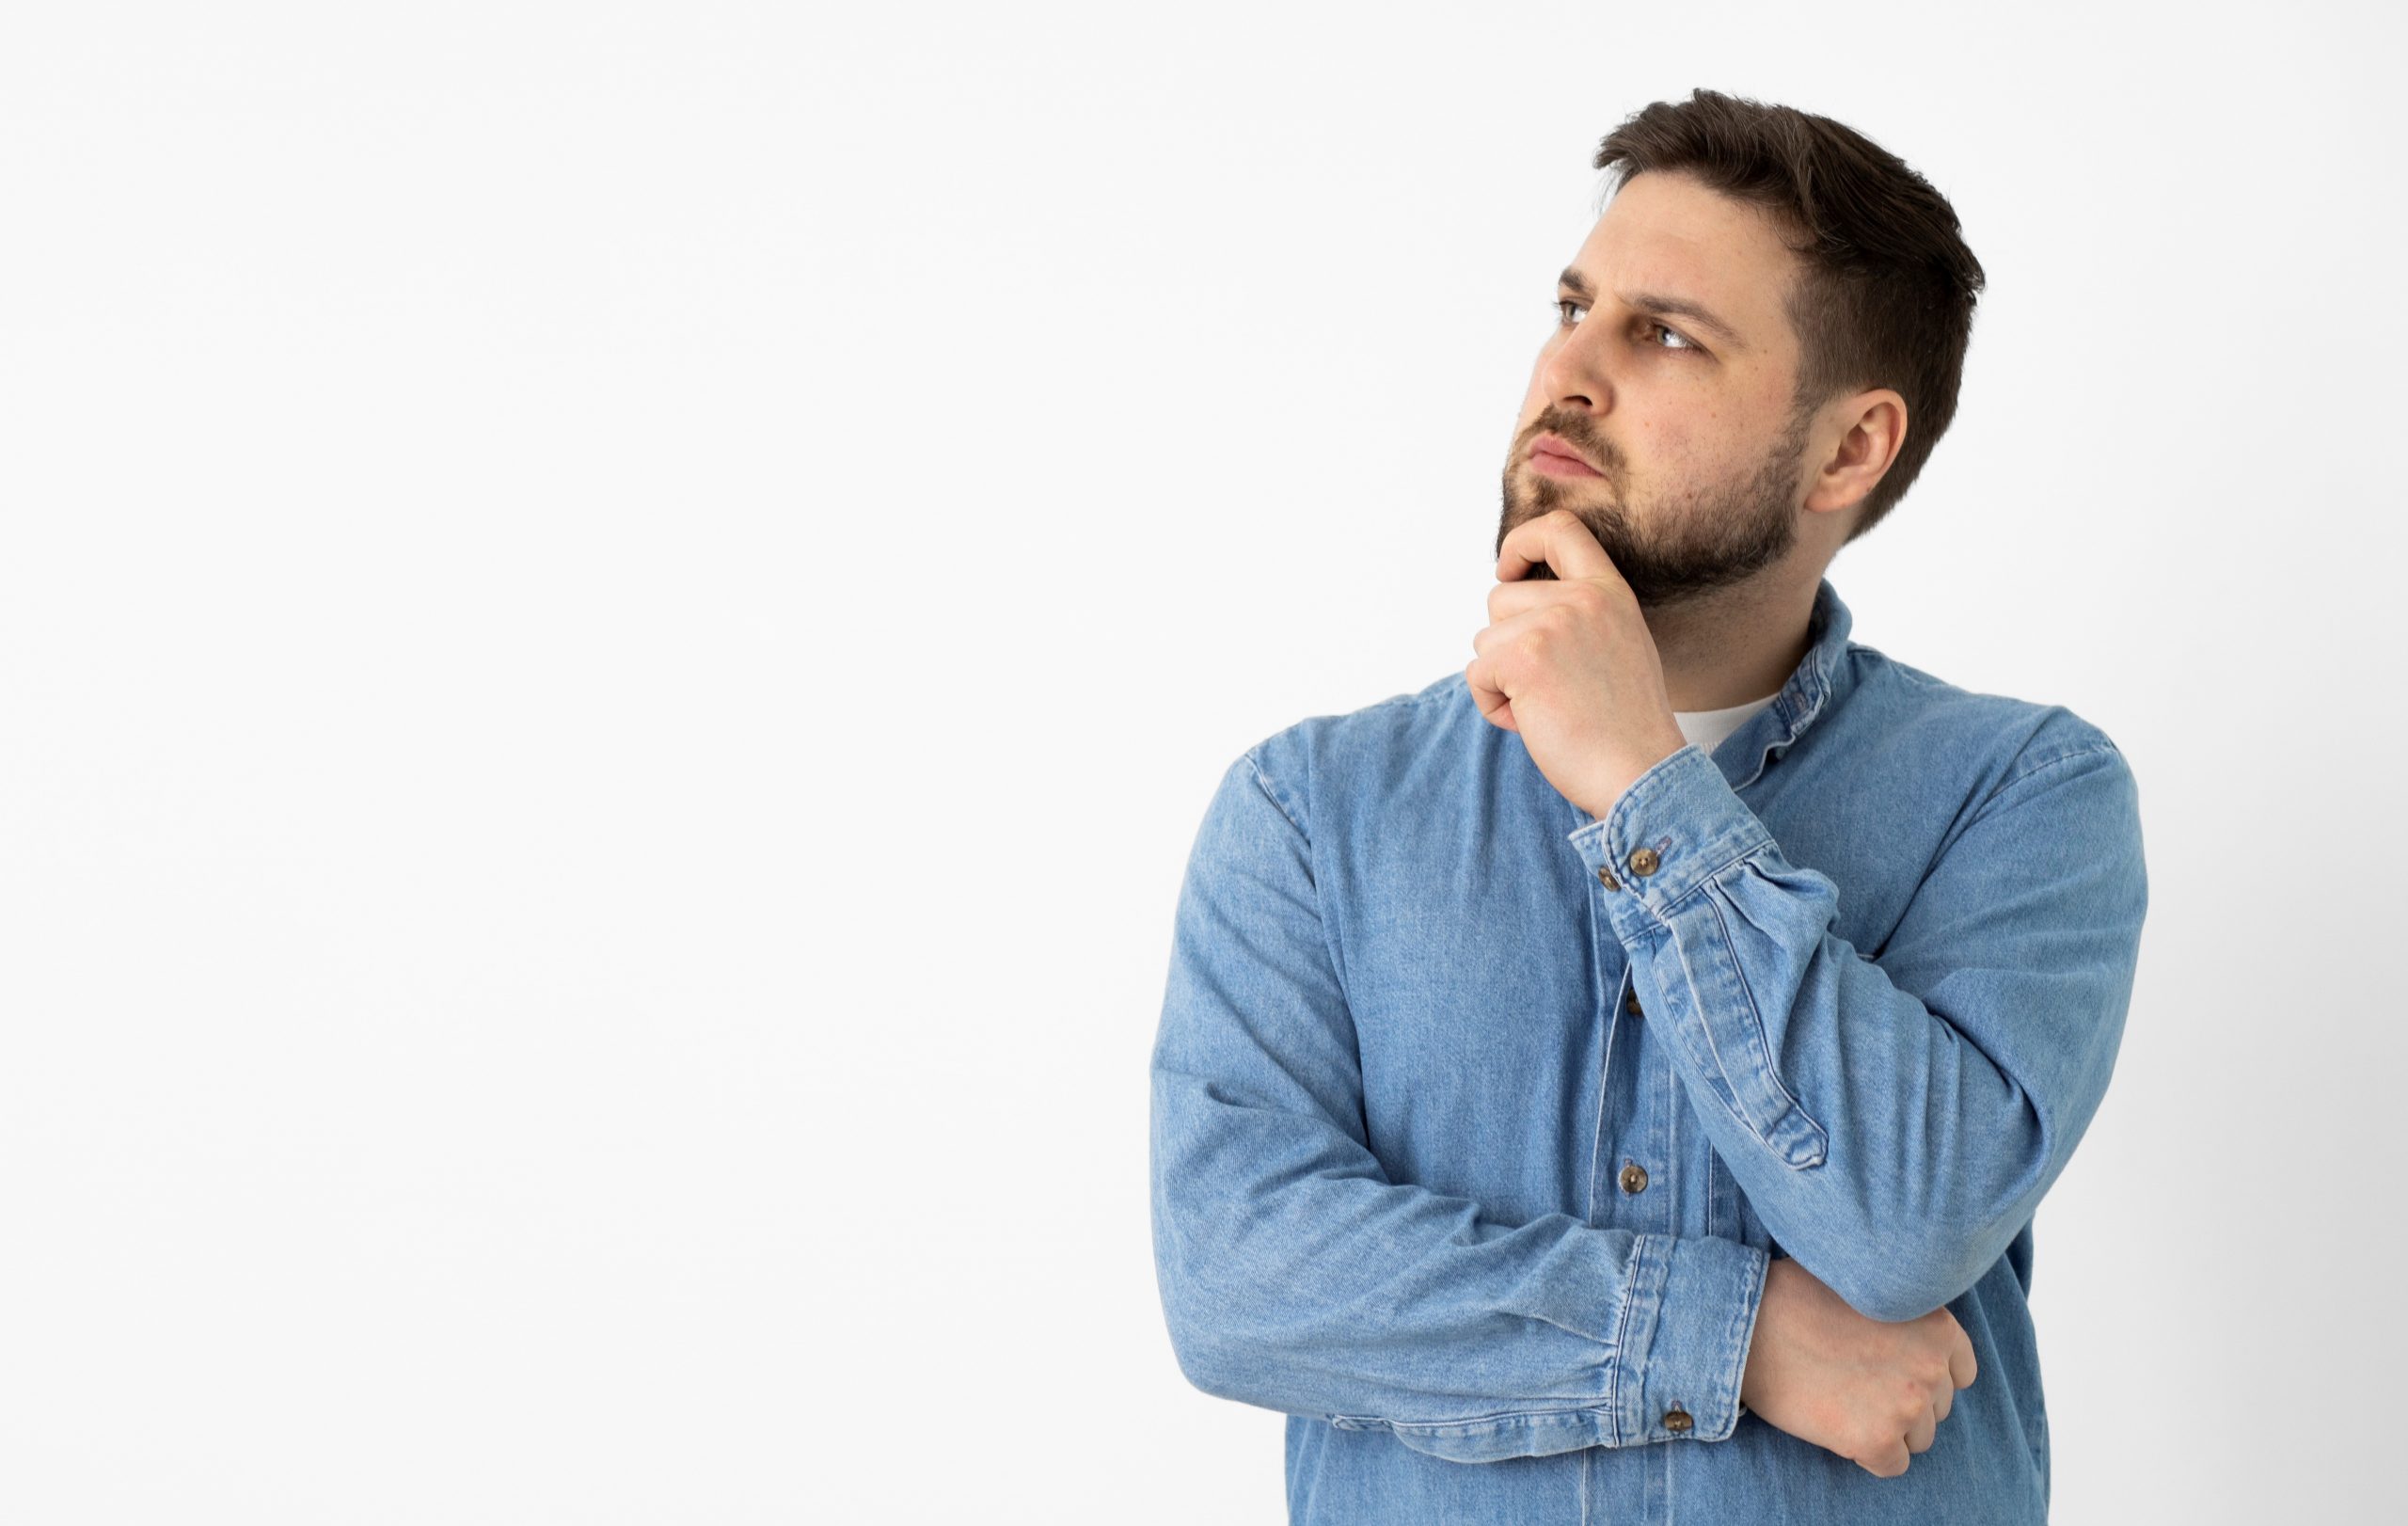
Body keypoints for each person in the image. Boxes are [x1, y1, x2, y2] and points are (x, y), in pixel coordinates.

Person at [1147, 88, 2148, 1525]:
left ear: (1848, 451)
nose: (1568, 369)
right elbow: (1240, 1278)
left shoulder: (2021, 795)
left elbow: (1909, 1219)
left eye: (1665, 333)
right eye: (1574, 303)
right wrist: (1730, 1337)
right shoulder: (1313, 812)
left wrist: (1642, 784)